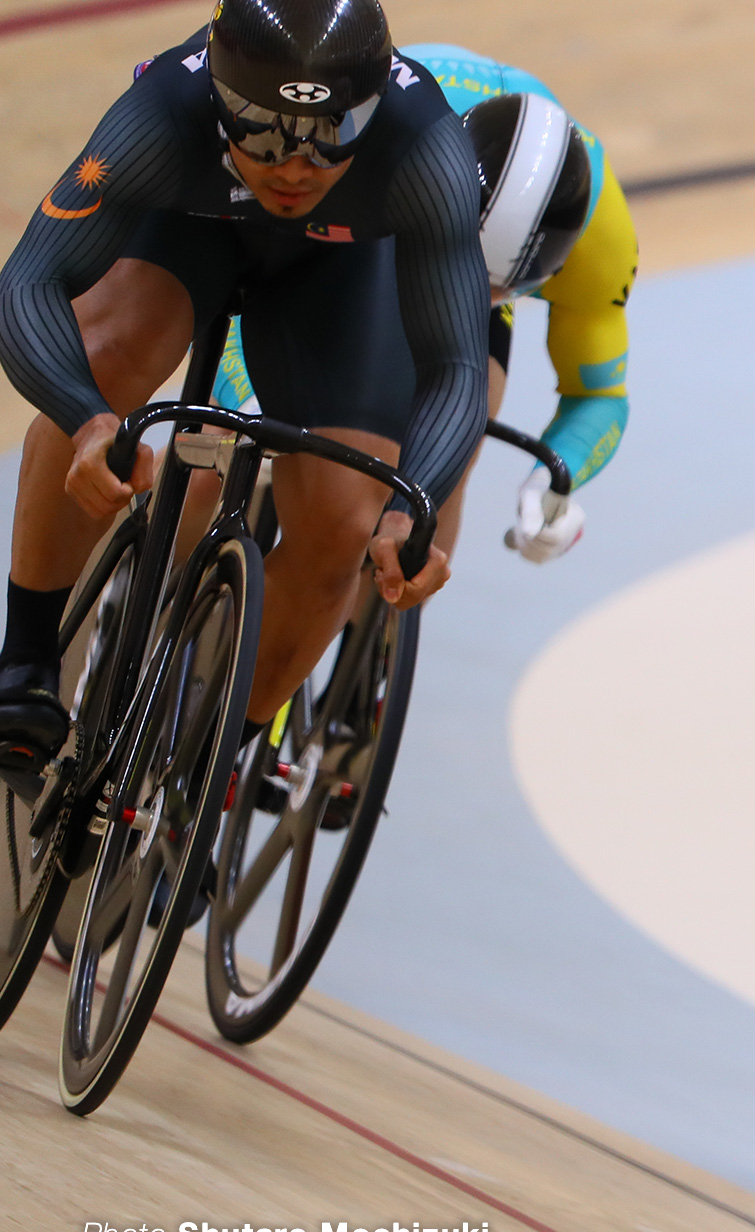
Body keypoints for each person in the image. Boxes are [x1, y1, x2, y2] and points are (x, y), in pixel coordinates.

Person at [0, 0, 486, 761]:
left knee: (339, 525)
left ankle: (202, 773)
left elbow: (457, 366)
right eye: (260, 133)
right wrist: (87, 417)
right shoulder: (162, 110)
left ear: (375, 108)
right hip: (194, 232)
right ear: (219, 102)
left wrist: (408, 508)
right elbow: (27, 285)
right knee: (105, 361)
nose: (295, 168)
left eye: (334, 140)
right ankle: (24, 667)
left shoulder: (429, 148)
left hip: (339, 274)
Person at [211, 43, 639, 563]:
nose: (457, 293)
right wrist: (241, 398)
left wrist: (549, 484)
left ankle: (372, 614)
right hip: (383, 211)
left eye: (492, 290)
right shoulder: (383, 133)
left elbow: (599, 394)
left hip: (422, 216)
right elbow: (252, 266)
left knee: (453, 451)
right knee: (218, 438)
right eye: (458, 269)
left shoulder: (600, 247)